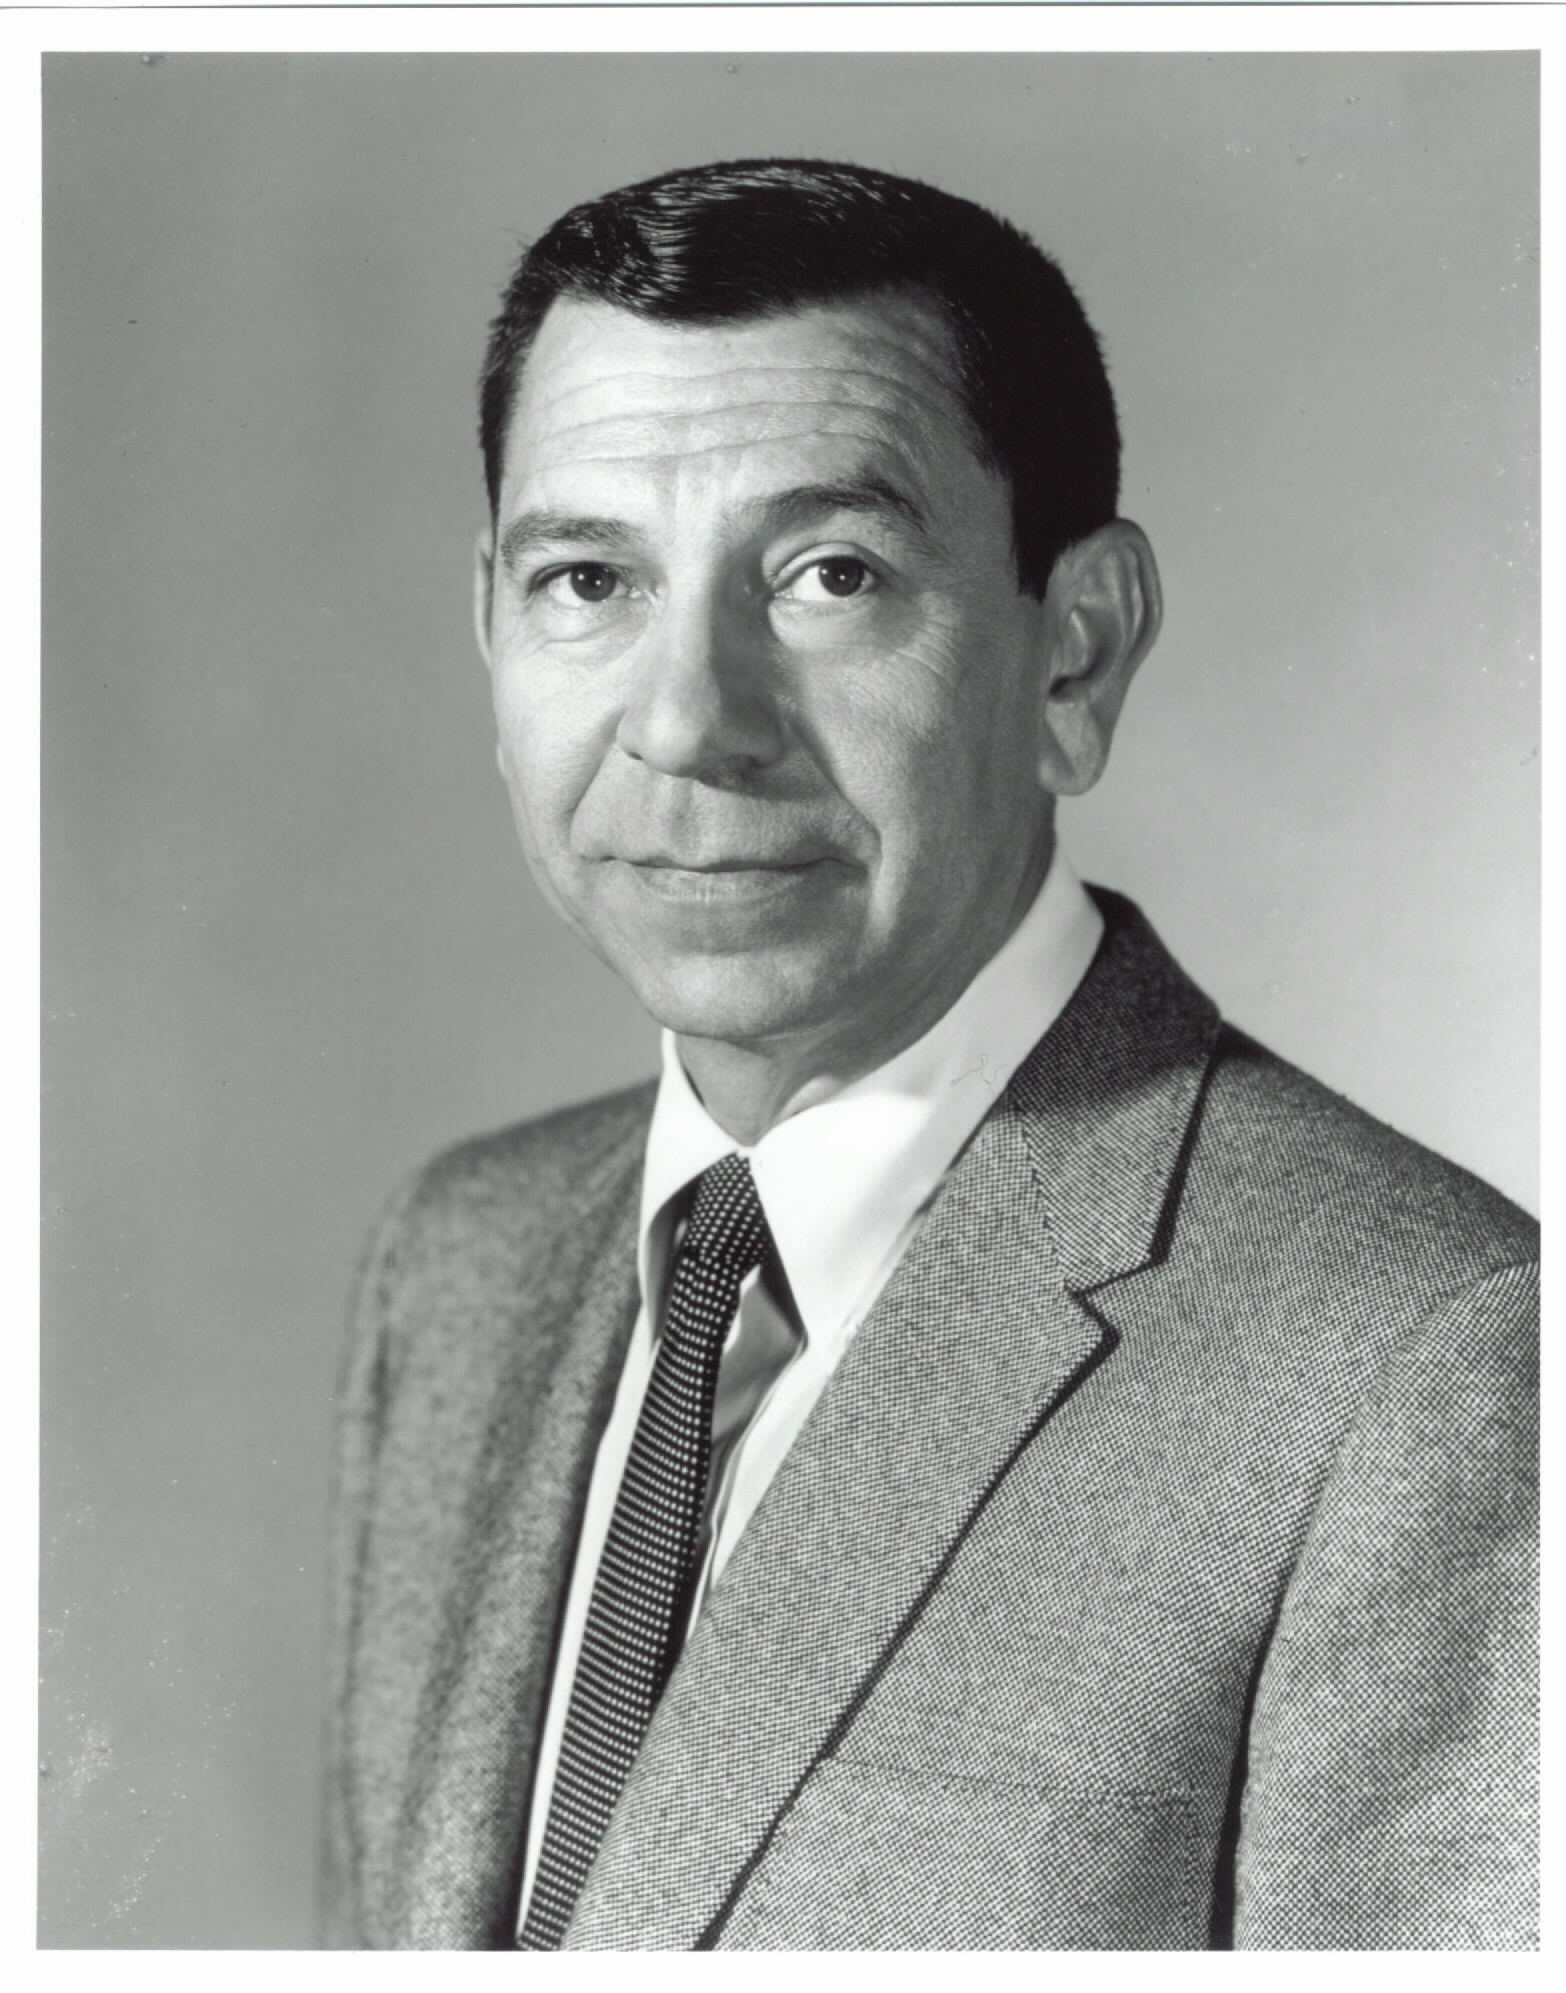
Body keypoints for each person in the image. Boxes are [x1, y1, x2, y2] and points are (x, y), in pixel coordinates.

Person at [319, 158, 1537, 1951]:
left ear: (1074, 655)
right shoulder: (460, 1264)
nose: (687, 720)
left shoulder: (1420, 1361)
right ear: (494, 629)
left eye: (830, 574)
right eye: (587, 577)